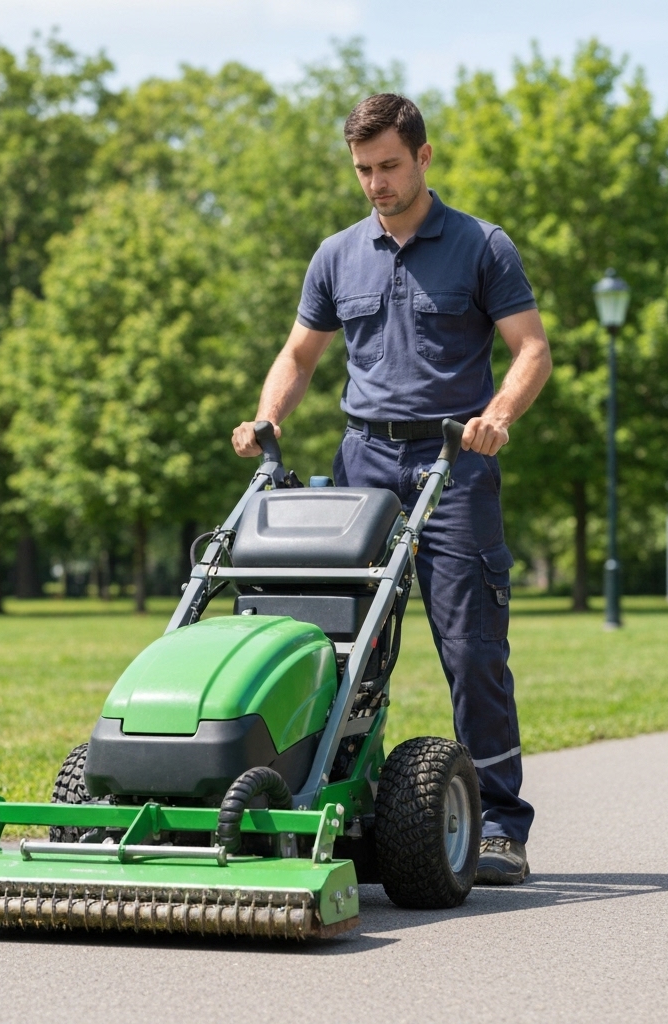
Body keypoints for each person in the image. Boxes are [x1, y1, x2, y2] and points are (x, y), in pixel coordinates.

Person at [231, 93, 552, 885]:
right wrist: (266, 419)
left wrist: (498, 415)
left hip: (454, 462)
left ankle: (502, 824)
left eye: (389, 166)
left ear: (424, 157)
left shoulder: (481, 246)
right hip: (363, 465)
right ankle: (339, 801)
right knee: (339, 645)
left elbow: (531, 351)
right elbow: (300, 357)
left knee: (473, 647)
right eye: (363, 170)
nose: (376, 183)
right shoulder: (337, 255)